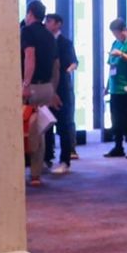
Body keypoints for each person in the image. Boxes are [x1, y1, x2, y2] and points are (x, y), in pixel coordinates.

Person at [20, 0, 60, 187]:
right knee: (39, 130)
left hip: (32, 87)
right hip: (47, 87)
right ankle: (36, 173)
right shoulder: (49, 35)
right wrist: (53, 90)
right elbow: (56, 65)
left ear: (30, 13)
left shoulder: (27, 31)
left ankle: (18, 170)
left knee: (26, 128)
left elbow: (30, 56)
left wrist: (26, 84)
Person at [43, 14, 78, 173]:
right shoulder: (45, 41)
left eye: (49, 21)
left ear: (58, 24)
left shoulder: (65, 43)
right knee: (46, 125)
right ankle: (47, 158)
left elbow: (72, 63)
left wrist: (66, 71)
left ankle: (65, 160)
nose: (46, 24)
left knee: (63, 124)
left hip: (62, 88)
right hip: (47, 87)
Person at [104, 18, 127, 158]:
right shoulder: (115, 43)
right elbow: (112, 67)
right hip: (115, 88)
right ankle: (118, 146)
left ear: (123, 30)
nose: (115, 35)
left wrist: (121, 54)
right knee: (116, 119)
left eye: (116, 32)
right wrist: (107, 86)